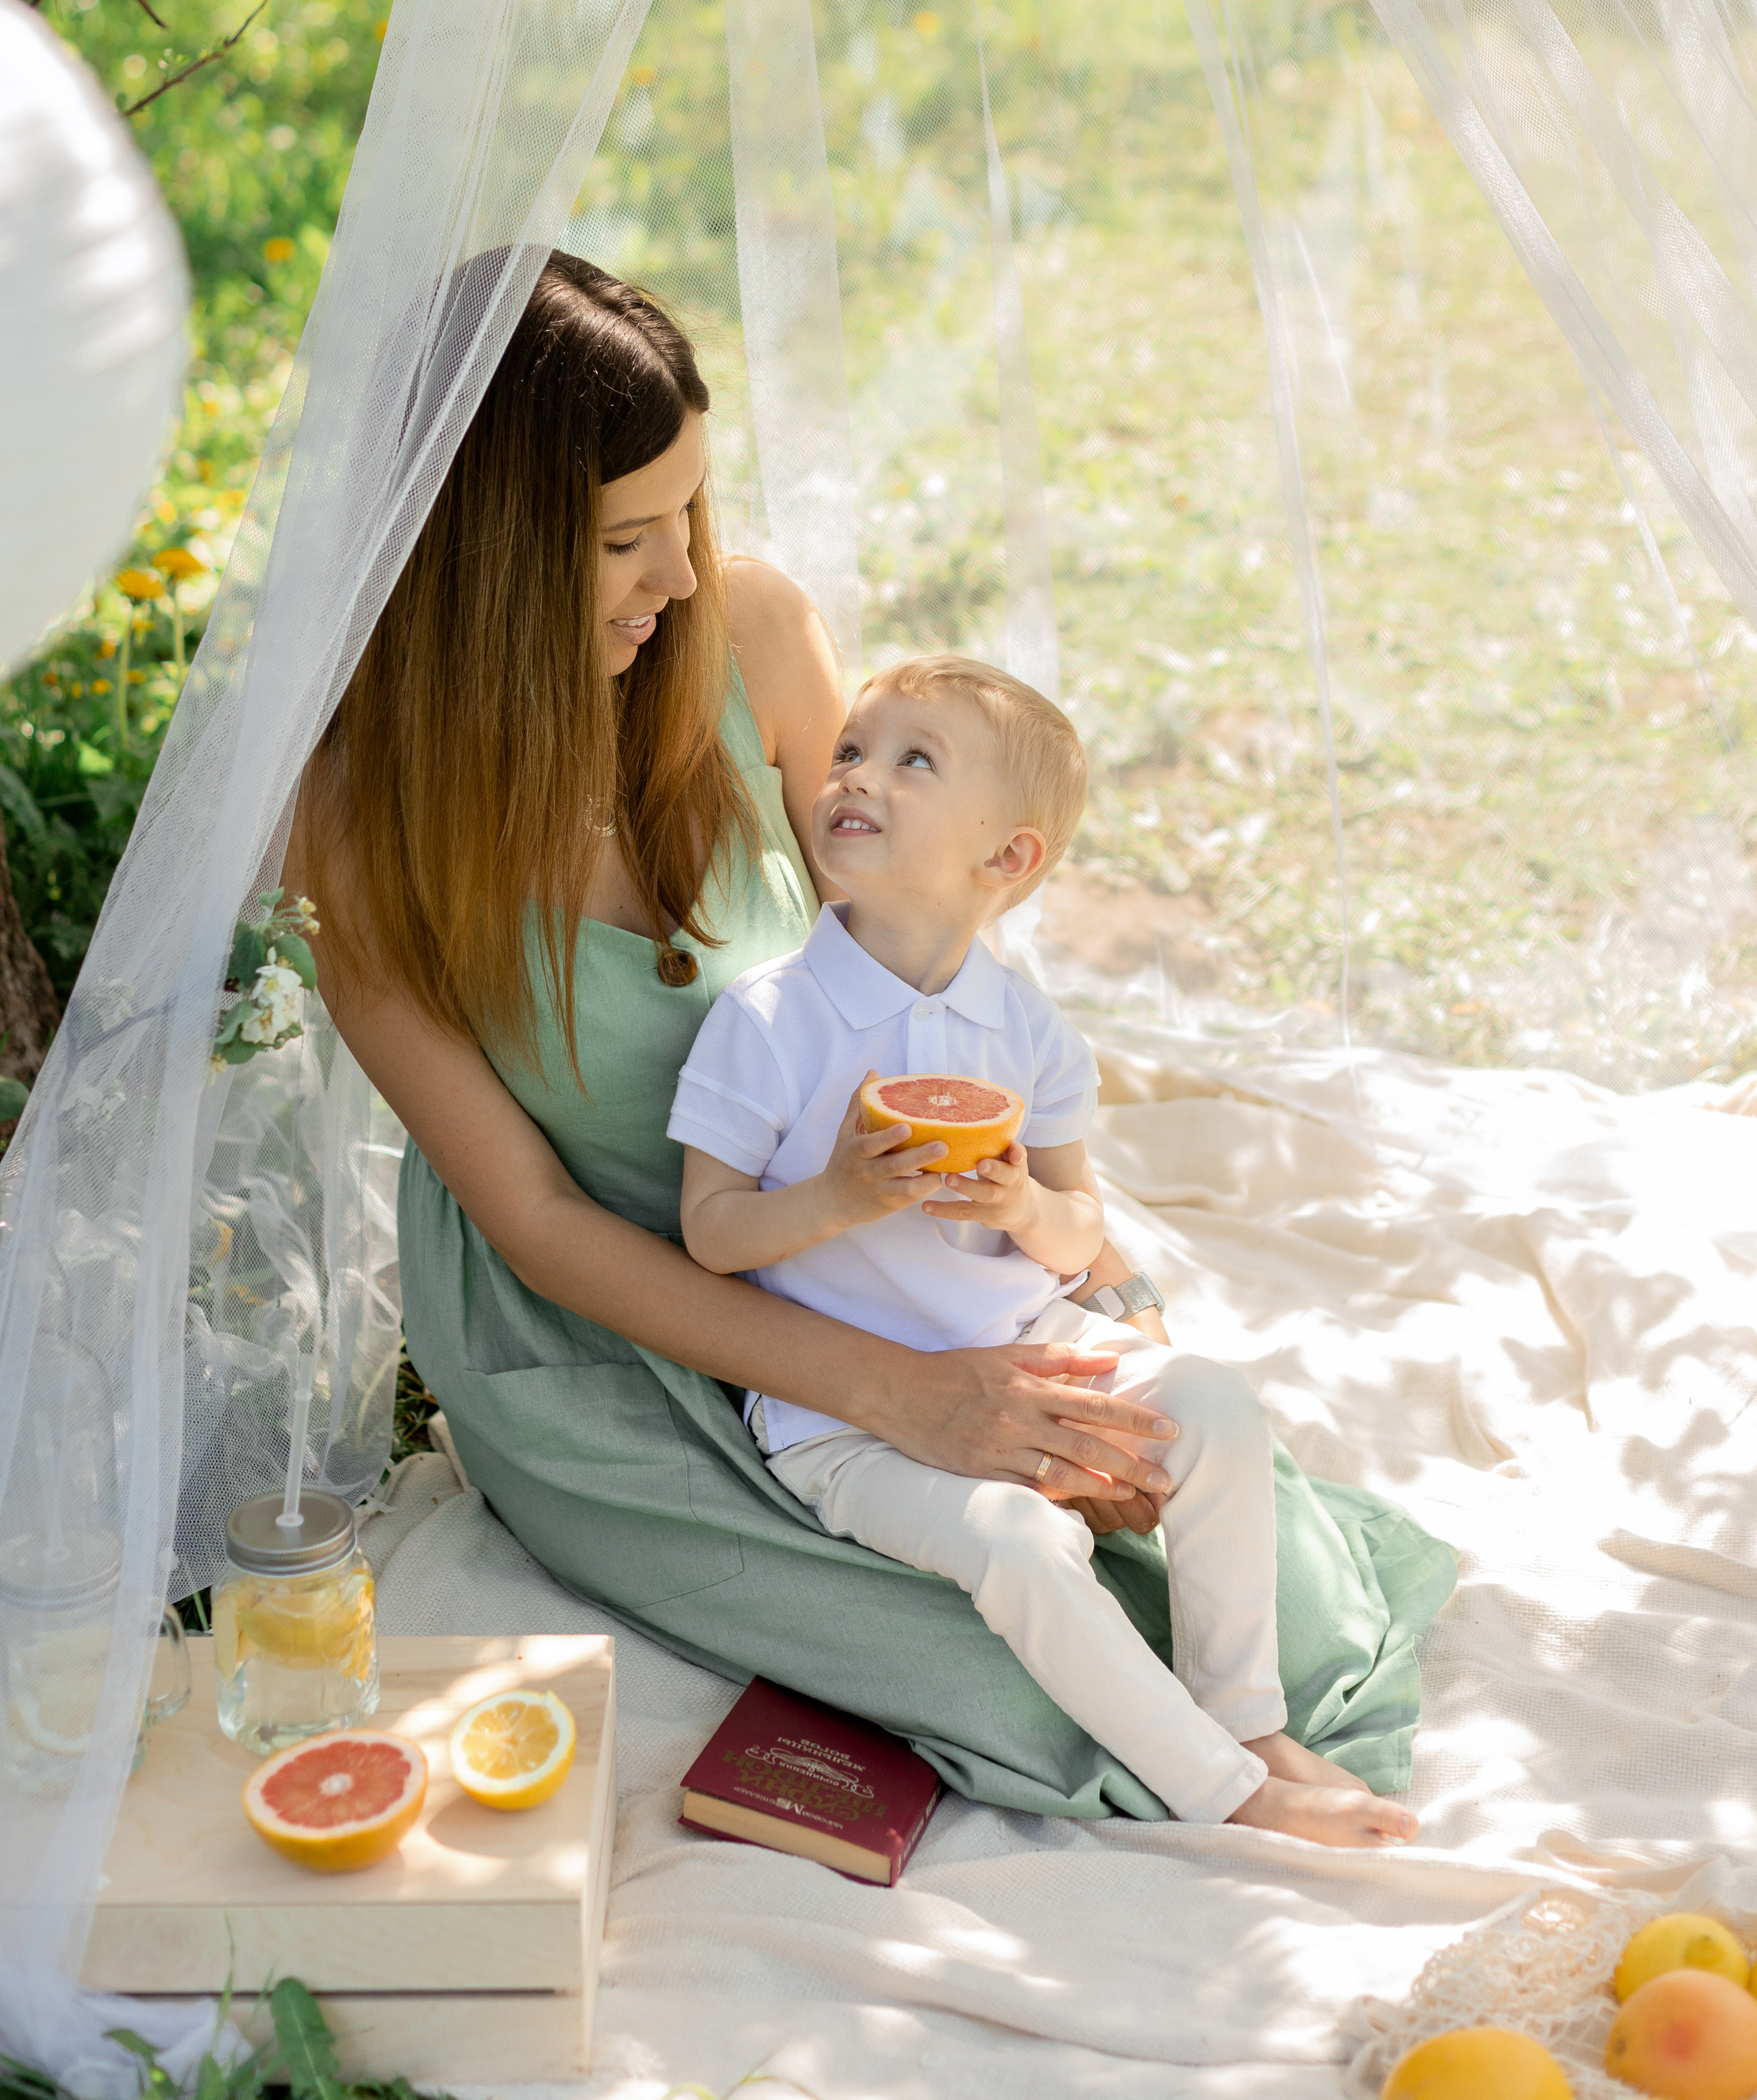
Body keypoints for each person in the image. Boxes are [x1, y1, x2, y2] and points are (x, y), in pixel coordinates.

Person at [294, 248, 1453, 1819]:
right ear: (484, 563)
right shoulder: (361, 830)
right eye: (626, 542)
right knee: (1011, 1660)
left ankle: (1242, 1732)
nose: (683, 577)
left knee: (1219, 1553)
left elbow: (906, 935)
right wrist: (895, 1396)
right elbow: (545, 1224)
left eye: (687, 519)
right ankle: (1221, 1788)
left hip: (880, 1241)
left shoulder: (749, 635)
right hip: (623, 1331)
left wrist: (1051, 1258)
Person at [671, 656, 1419, 1845]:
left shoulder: (1029, 1032)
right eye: (856, 748)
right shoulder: (764, 1018)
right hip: (837, 1420)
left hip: (1026, 1338)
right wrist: (837, 1196)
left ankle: (1247, 1713)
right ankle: (1223, 1789)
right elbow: (709, 1234)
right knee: (1018, 1541)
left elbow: (1081, 1238)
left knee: (1218, 1407)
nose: (857, 772)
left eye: (915, 760)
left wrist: (1022, 1207)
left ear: (1008, 860)